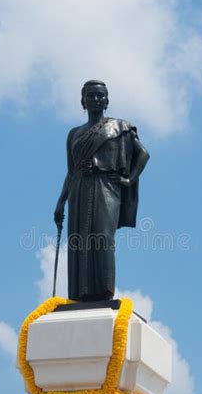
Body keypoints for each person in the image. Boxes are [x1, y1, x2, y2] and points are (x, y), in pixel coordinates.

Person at [54, 80, 150, 301]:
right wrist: (60, 202)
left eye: (100, 96)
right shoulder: (74, 134)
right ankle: (80, 294)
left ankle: (104, 291)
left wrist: (129, 179)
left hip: (106, 185)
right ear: (83, 101)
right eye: (91, 95)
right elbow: (70, 171)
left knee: (103, 237)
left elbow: (143, 154)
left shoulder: (120, 127)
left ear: (107, 101)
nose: (95, 99)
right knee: (79, 239)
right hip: (79, 188)